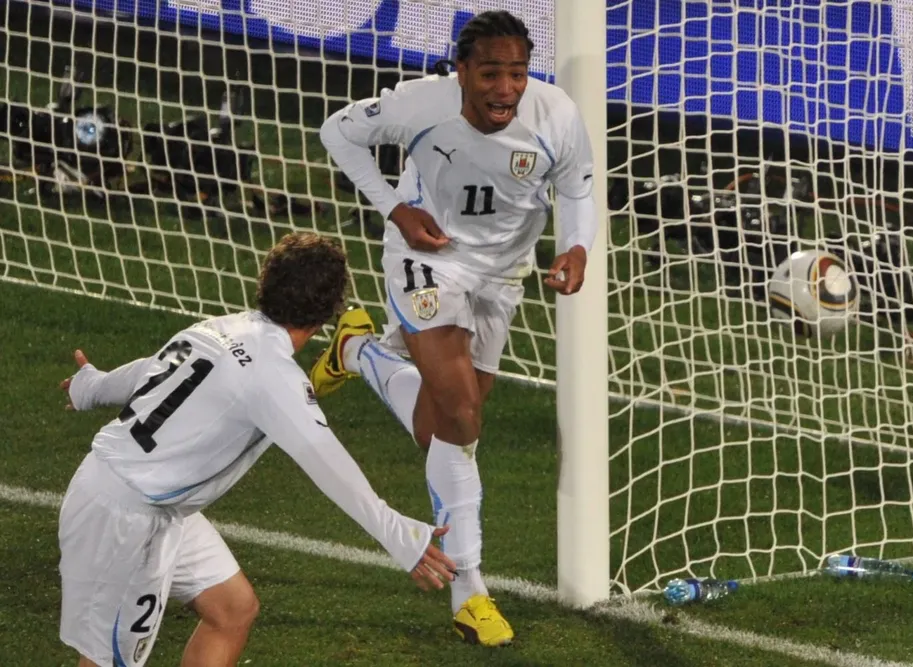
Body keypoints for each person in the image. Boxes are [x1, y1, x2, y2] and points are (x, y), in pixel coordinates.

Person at [312, 10, 598, 647]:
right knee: (464, 418)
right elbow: (338, 132)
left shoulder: (554, 115)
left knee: (438, 429)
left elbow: (578, 188)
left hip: (502, 276)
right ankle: (470, 590)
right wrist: (396, 207)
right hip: (427, 260)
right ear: (462, 69)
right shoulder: (420, 105)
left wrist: (575, 247)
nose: (505, 89)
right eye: (491, 73)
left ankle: (358, 351)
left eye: (518, 73)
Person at [57, 232, 455, 667]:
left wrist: (91, 387)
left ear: (266, 281)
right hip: (128, 521)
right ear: (328, 311)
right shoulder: (274, 376)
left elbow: (150, 371)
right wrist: (401, 537)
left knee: (232, 609)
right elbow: (329, 465)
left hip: (139, 498)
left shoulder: (220, 327)